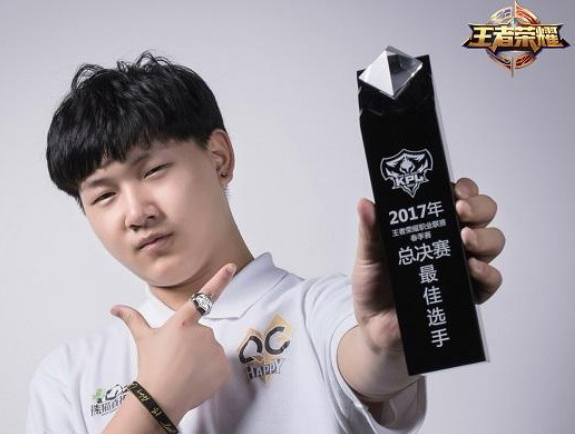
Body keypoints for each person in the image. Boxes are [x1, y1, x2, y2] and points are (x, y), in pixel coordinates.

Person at [26, 51, 505, 434]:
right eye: (104, 195)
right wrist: (154, 401)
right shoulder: (68, 375)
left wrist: (390, 340)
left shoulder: (321, 311)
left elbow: (372, 357)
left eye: (153, 170)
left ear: (219, 158)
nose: (136, 213)